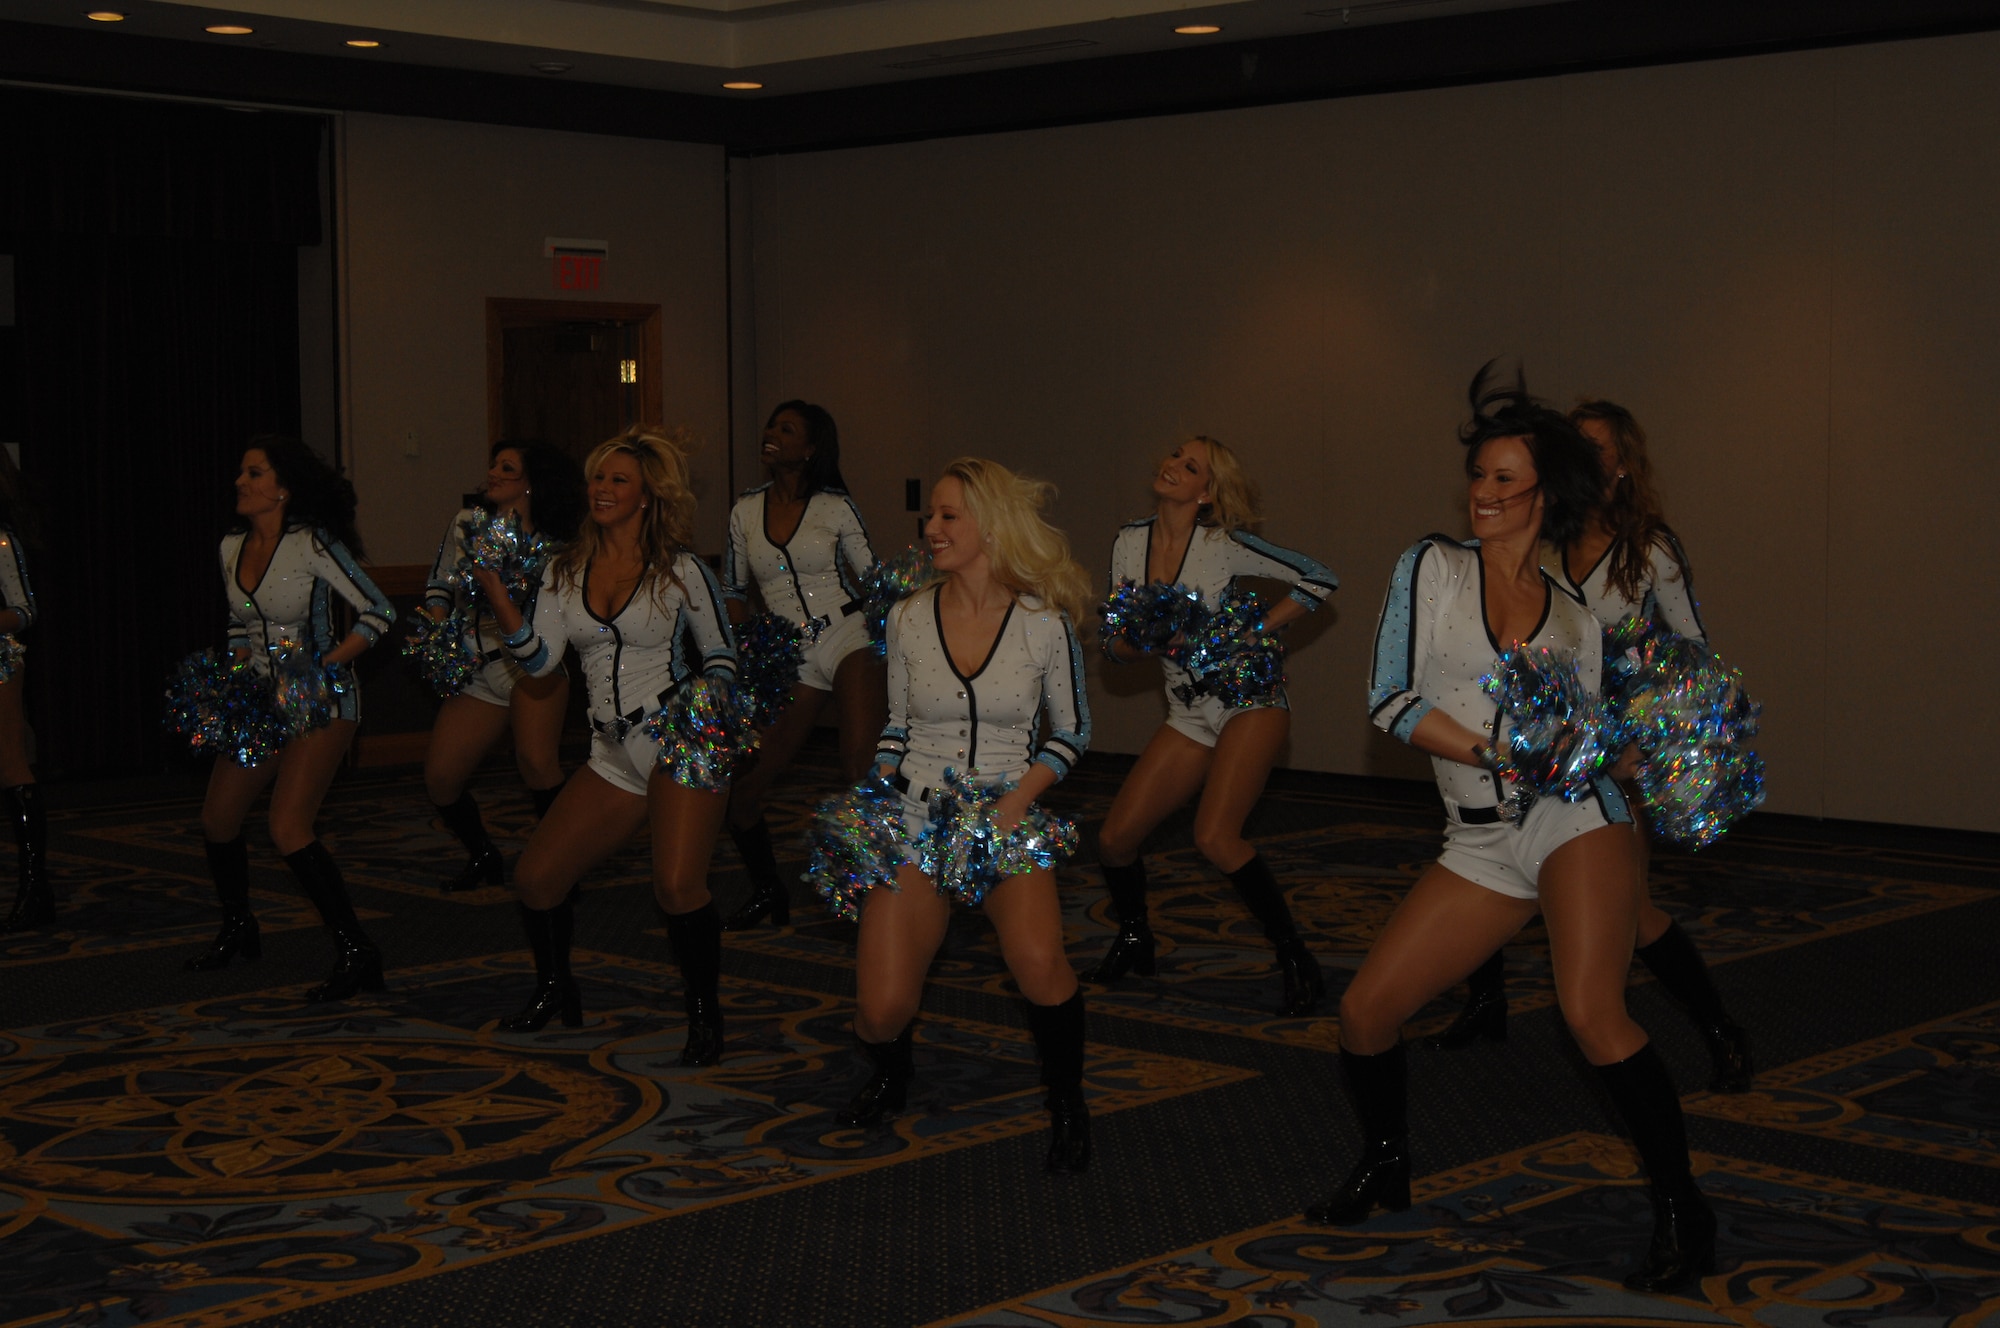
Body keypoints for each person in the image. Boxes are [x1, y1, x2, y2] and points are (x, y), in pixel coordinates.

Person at [1320, 366, 1713, 1295]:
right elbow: (1388, 699)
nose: (1485, 495)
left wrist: (1636, 754)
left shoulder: (1577, 623)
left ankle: (1678, 1205)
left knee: (1590, 1012)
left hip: (1578, 822)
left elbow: (1583, 750)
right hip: (1478, 838)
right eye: (1481, 477)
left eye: (1507, 480)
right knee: (1365, 1012)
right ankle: (1385, 1160)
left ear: (1549, 494)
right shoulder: (1433, 567)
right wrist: (1496, 751)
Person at [1425, 400, 1752, 1093]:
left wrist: (1654, 731)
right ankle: (1486, 1001)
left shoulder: (1649, 550)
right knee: (1478, 856)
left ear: (1623, 470)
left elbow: (1691, 648)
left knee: (1632, 914)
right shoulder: (1533, 543)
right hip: (1531, 748)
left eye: (1598, 451)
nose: (1582, 459)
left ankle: (1718, 1026)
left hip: (1614, 752)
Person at [838, 458, 1095, 1173]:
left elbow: (1072, 734)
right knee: (882, 1010)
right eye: (932, 516)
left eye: (950, 516)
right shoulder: (907, 616)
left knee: (1041, 964)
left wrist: (1015, 804)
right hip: (916, 816)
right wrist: (877, 792)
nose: (931, 528)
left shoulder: (1043, 625)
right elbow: (896, 724)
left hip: (1006, 814)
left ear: (990, 525)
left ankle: (1067, 1100)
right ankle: (892, 1071)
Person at [475, 427, 737, 1060]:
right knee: (536, 880)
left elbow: (723, 656)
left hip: (678, 737)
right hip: (610, 749)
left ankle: (706, 1017)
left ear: (648, 496)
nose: (602, 489)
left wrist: (709, 707)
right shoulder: (564, 571)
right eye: (597, 477)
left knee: (677, 887)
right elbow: (539, 665)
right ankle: (556, 990)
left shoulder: (680, 570)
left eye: (619, 479)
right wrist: (498, 597)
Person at [1092, 437, 1338, 1014]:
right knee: (1112, 840)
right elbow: (1114, 644)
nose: (1171, 465)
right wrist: (1138, 645)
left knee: (1215, 837)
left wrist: (1255, 633)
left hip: (1249, 701)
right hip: (1186, 710)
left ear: (1206, 493)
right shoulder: (1129, 541)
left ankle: (1294, 954)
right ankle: (1135, 938)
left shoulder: (1222, 546)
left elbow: (1319, 579)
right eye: (1173, 455)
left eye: (1190, 466)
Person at [186, 436, 397, 1002]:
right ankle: (238, 926)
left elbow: (380, 610)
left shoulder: (311, 543)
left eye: (254, 473)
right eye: (241, 472)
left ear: (282, 489)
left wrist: (322, 665)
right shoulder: (230, 546)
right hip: (258, 696)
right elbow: (238, 627)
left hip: (318, 697)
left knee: (287, 826)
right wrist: (231, 678)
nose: (241, 482)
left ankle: (357, 951)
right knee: (218, 818)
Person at [718, 401, 884, 929]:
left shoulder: (836, 507)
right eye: (769, 425)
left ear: (810, 449)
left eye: (785, 429)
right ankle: (769, 889)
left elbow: (873, 580)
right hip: (789, 654)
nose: (771, 434)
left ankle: (877, 894)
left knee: (859, 766)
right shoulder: (744, 510)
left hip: (848, 633)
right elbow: (732, 590)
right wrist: (752, 644)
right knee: (743, 788)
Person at [420, 440, 585, 892]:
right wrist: (442, 636)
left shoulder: (557, 547)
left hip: (532, 670)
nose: (493, 472)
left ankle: (563, 864)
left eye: (506, 468)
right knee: (441, 778)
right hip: (477, 665)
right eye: (493, 464)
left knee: (536, 762)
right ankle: (483, 855)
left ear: (531, 485)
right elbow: (438, 586)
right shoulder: (466, 525)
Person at [0, 450, 45, 933]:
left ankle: (35, 887)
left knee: (11, 763)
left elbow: (25, 610)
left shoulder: (2, 542)